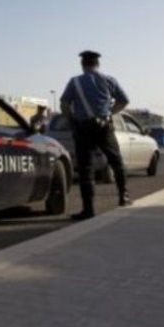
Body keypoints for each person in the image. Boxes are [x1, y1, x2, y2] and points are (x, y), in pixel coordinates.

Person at [60, 50, 130, 220]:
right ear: (97, 64)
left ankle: (88, 209)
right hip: (104, 127)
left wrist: (71, 121)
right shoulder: (108, 80)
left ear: (82, 64)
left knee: (86, 168)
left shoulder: (75, 82)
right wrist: (109, 113)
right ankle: (123, 196)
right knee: (116, 161)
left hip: (83, 128)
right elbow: (124, 100)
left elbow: (64, 104)